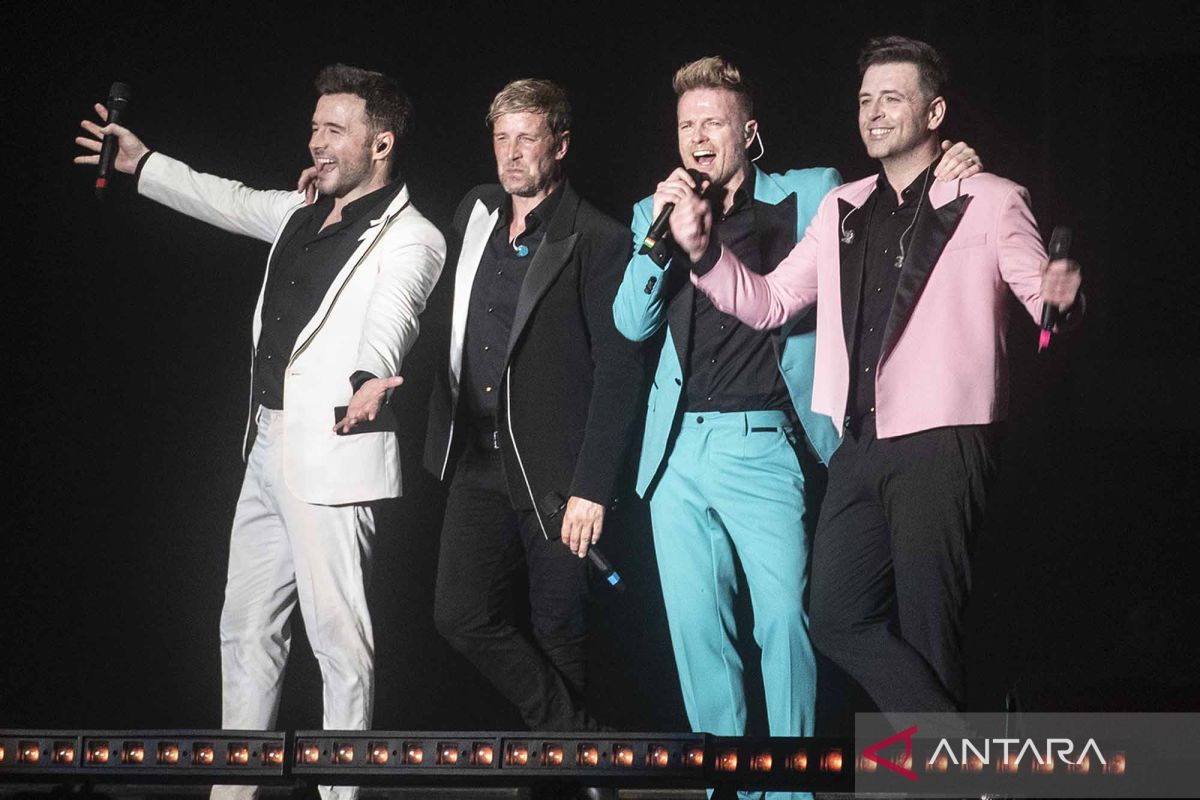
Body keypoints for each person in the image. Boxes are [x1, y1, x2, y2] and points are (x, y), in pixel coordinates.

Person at [612, 55, 980, 800]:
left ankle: (788, 788)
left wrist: (952, 159)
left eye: (713, 123)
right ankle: (726, 787)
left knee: (787, 623)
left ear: (749, 133)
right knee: (698, 636)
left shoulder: (811, 193)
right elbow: (629, 321)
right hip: (675, 451)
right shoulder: (654, 213)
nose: (697, 138)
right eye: (686, 126)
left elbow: (891, 188)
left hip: (764, 443)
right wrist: (658, 237)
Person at [679, 37, 1082, 716]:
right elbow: (771, 302)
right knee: (834, 617)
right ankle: (961, 754)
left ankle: (943, 766)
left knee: (930, 632)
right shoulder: (842, 206)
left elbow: (1042, 301)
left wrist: (1061, 301)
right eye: (865, 100)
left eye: (891, 98)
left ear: (934, 113)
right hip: (858, 444)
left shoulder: (990, 198)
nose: (873, 112)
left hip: (943, 440)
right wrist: (702, 254)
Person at [75, 64, 446, 800]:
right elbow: (228, 199)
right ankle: (234, 791)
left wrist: (369, 376)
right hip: (267, 443)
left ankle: (340, 794)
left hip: (335, 449)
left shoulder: (415, 237)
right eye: (314, 128)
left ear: (381, 144)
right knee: (244, 627)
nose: (316, 143)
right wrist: (144, 164)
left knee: (338, 641)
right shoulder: (301, 213)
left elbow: (393, 314)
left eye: (334, 130)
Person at [422, 79, 644, 746]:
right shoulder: (474, 211)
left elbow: (619, 372)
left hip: (556, 474)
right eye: (501, 138)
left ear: (560, 144)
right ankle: (578, 744)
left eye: (527, 138)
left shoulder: (598, 239)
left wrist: (591, 488)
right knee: (458, 614)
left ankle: (563, 772)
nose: (512, 153)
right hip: (477, 460)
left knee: (558, 628)